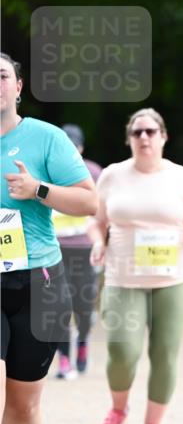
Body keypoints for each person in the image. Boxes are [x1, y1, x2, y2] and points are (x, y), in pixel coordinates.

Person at [0, 53, 97, 424]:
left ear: (18, 87)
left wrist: (37, 189)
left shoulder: (46, 138)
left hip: (36, 278)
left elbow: (88, 200)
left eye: (1, 76)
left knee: (23, 400)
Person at [88, 108, 183, 424]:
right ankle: (117, 410)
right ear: (129, 138)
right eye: (137, 132)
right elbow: (95, 220)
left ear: (163, 137)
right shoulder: (112, 176)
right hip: (122, 278)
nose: (144, 137)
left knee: (165, 354)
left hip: (173, 279)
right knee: (122, 352)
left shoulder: (180, 176)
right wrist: (98, 243)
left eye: (151, 131)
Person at [53, 124, 103, 379]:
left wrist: (101, 242)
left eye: (74, 144)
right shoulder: (45, 170)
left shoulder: (93, 173)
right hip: (55, 249)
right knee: (60, 304)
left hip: (85, 249)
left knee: (83, 305)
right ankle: (64, 360)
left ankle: (82, 341)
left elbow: (104, 213)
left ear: (81, 148)